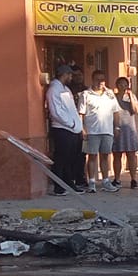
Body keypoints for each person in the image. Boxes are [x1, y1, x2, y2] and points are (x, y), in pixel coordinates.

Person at [45, 64, 84, 194]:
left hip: (72, 130)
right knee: (61, 159)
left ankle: (69, 183)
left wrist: (76, 125)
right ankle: (58, 186)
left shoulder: (66, 89)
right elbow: (56, 111)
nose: (71, 77)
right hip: (62, 129)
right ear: (64, 74)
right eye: (70, 74)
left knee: (70, 159)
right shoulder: (54, 90)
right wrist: (70, 123)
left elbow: (71, 109)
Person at [79, 69, 120, 192]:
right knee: (92, 156)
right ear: (92, 80)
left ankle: (106, 181)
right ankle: (91, 182)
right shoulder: (85, 94)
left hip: (107, 130)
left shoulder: (110, 94)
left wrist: (117, 127)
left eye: (102, 80)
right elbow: (81, 113)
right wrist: (83, 129)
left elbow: (116, 111)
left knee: (105, 156)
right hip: (92, 131)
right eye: (97, 79)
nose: (100, 82)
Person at [112, 76, 138, 189]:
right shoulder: (113, 98)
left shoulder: (131, 96)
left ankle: (133, 179)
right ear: (117, 85)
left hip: (129, 128)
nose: (123, 86)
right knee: (117, 154)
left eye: (125, 84)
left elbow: (135, 110)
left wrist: (130, 97)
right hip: (117, 127)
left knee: (131, 154)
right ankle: (117, 178)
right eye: (121, 84)